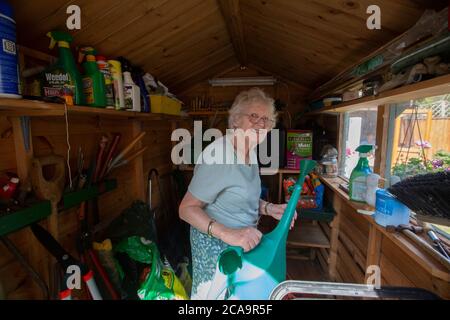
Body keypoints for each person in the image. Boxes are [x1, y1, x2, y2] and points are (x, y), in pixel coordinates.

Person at [179, 88, 296, 300]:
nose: (261, 124)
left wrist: (269, 208)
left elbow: (240, 195)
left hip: (239, 243)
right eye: (254, 116)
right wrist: (228, 234)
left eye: (267, 120)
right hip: (216, 248)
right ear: (235, 121)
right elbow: (186, 209)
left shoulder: (249, 151)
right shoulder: (220, 156)